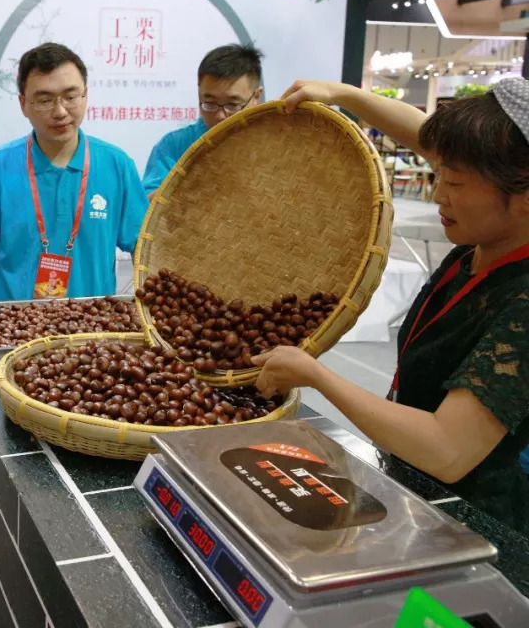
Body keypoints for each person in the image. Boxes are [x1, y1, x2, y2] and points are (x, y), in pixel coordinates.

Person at [253, 77, 529, 538]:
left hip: (474, 522)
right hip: (411, 485)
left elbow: (448, 449)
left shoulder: (521, 302)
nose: (438, 195)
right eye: (439, 173)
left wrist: (317, 376)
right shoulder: (485, 243)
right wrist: (344, 94)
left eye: (454, 182)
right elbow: (422, 134)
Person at [0, 42, 147, 309]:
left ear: (85, 96)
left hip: (97, 326)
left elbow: (143, 246)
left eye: (71, 96)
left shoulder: (116, 166)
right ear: (23, 104)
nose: (60, 111)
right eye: (45, 100)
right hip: (15, 325)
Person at [142, 44, 265, 196]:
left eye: (232, 105)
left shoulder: (273, 143)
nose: (220, 115)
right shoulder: (174, 146)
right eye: (210, 103)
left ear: (256, 96)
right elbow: (146, 204)